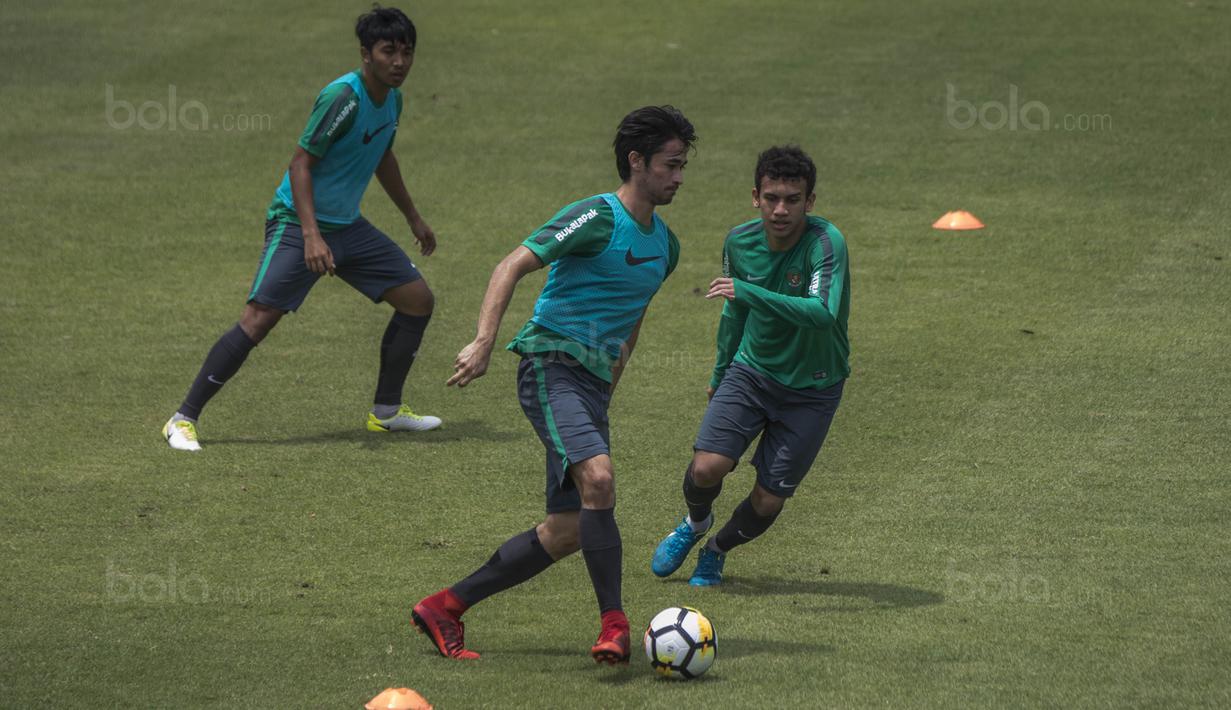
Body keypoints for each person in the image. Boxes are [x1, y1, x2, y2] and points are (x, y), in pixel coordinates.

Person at [411, 106, 697, 663]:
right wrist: (485, 340)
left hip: (591, 384)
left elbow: (632, 313)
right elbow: (511, 264)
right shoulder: (596, 216)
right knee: (600, 479)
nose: (679, 177)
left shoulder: (667, 246)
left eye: (683, 165)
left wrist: (614, 376)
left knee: (567, 530)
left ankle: (444, 606)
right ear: (636, 162)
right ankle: (614, 624)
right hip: (550, 363)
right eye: (671, 164)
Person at [161, 7, 442, 451]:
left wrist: (413, 217)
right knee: (258, 319)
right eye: (388, 51)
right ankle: (182, 419)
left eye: (406, 52)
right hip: (297, 222)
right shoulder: (342, 98)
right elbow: (300, 164)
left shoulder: (393, 98)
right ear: (365, 54)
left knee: (417, 301)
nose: (399, 62)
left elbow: (382, 156)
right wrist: (311, 235)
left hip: (347, 226)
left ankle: (386, 412)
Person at [649, 145, 850, 587]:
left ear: (810, 202)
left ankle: (716, 549)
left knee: (768, 501)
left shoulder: (825, 242)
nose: (781, 210)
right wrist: (720, 375)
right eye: (772, 197)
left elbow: (822, 313)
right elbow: (733, 313)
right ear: (755, 196)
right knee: (706, 468)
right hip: (752, 372)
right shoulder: (740, 241)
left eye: (793, 199)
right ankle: (695, 524)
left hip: (813, 390)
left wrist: (749, 292)